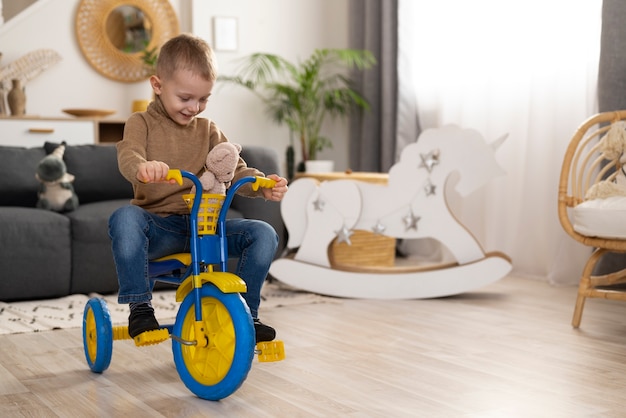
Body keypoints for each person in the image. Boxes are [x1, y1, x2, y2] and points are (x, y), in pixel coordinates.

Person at [108, 33, 289, 343]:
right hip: (160, 228)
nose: (195, 107)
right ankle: (140, 308)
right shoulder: (141, 123)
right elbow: (129, 155)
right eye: (185, 98)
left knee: (263, 233)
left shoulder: (208, 129)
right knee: (124, 218)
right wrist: (143, 167)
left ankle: (246, 314)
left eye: (203, 99)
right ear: (158, 85)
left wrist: (262, 185)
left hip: (206, 227)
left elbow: (234, 168)